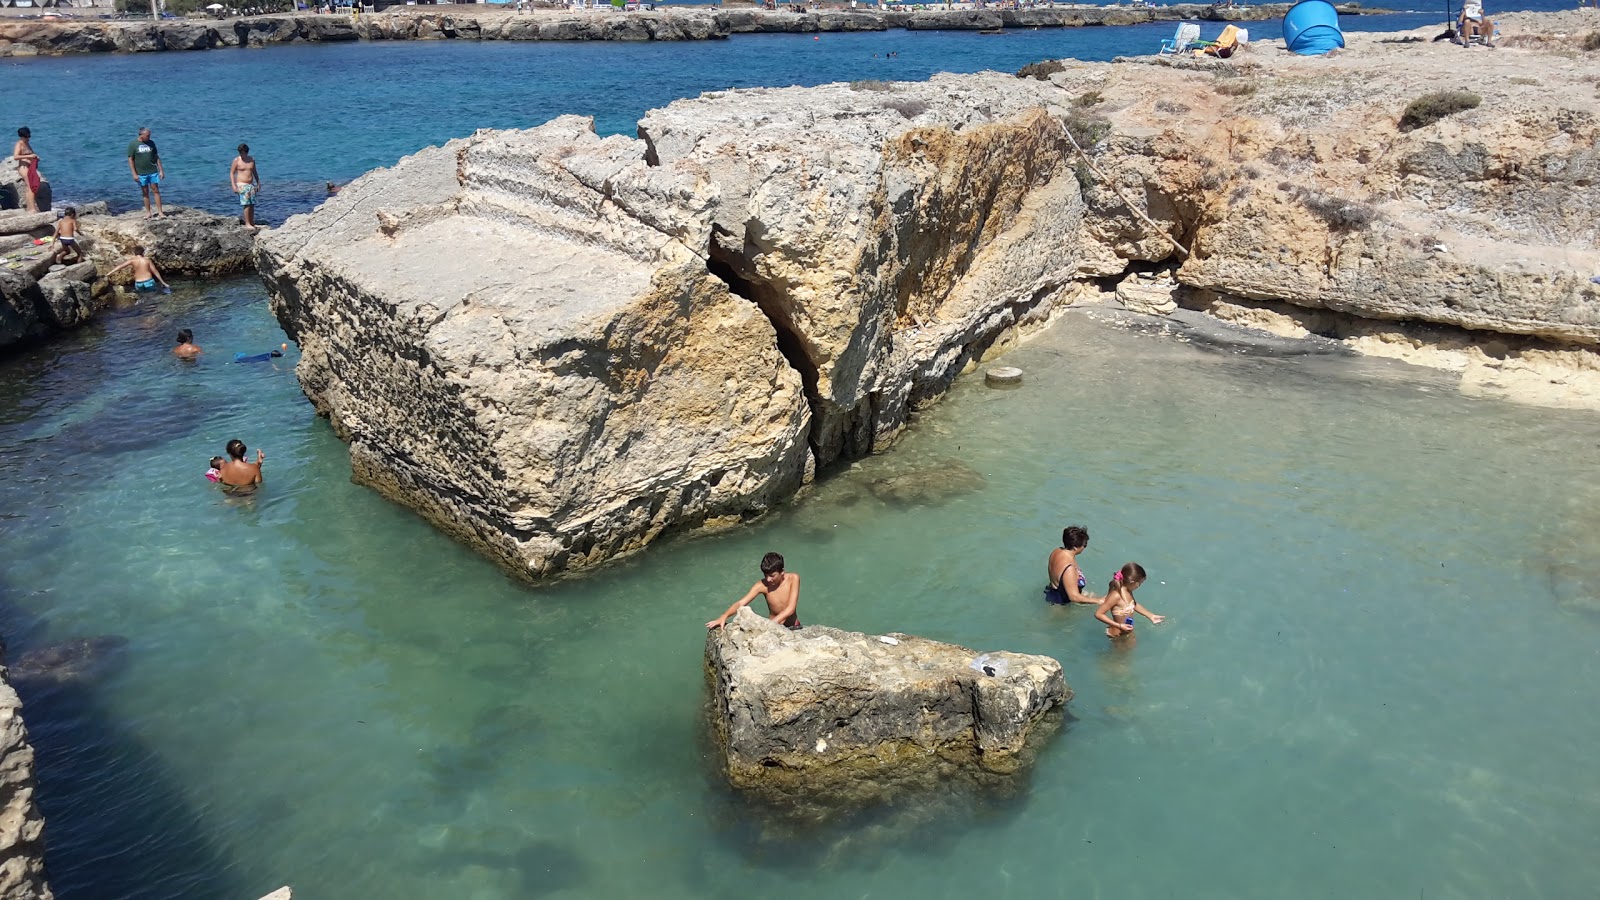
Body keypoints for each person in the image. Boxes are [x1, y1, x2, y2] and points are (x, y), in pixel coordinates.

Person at [706, 551, 801, 630]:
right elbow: (741, 603)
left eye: (772, 575)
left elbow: (790, 609)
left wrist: (768, 625)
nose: (768, 579)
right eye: (765, 575)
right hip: (774, 627)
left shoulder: (793, 578)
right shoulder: (761, 585)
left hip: (791, 625)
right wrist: (724, 616)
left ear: (782, 572)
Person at [1094, 562, 1163, 639]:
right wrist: (1119, 625)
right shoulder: (1116, 596)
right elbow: (1098, 614)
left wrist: (1151, 616)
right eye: (1139, 583)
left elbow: (1134, 605)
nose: (1139, 586)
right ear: (1132, 582)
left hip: (1125, 631)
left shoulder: (1128, 591)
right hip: (1116, 635)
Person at [1044, 524, 1097, 605]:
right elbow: (1074, 597)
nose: (1084, 547)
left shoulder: (1057, 551)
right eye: (1084, 545)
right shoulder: (1069, 569)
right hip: (1061, 605)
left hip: (1052, 593)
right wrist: (1098, 601)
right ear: (1075, 547)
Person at [127, 127, 165, 219]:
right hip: (141, 172)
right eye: (147, 135)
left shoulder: (151, 143)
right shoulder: (133, 144)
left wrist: (161, 170)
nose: (149, 137)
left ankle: (160, 212)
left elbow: (156, 156)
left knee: (156, 190)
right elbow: (130, 159)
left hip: (152, 171)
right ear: (141, 135)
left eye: (149, 135)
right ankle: (148, 213)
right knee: (145, 192)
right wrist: (134, 173)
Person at [105, 246, 170, 295]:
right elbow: (155, 271)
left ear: (134, 253)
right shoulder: (147, 260)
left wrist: (109, 273)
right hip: (148, 282)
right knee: (152, 295)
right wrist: (163, 282)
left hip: (138, 283)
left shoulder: (132, 261)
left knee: (142, 296)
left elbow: (120, 266)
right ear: (143, 253)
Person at [230, 143, 261, 230]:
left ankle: (251, 222)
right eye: (240, 152)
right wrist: (233, 185)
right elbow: (232, 173)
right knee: (246, 204)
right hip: (241, 184)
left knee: (252, 204)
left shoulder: (251, 160)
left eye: (243, 152)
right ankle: (247, 223)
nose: (241, 154)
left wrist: (258, 182)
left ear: (246, 152)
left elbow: (254, 172)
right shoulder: (237, 160)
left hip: (250, 184)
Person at [12, 127, 39, 214]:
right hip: (23, 168)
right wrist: (28, 157)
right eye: (27, 136)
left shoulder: (27, 144)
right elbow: (16, 156)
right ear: (22, 136)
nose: (28, 138)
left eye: (29, 136)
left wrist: (35, 157)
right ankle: (32, 208)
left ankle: (29, 208)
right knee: (31, 187)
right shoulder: (19, 144)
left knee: (29, 188)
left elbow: (31, 154)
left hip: (30, 168)